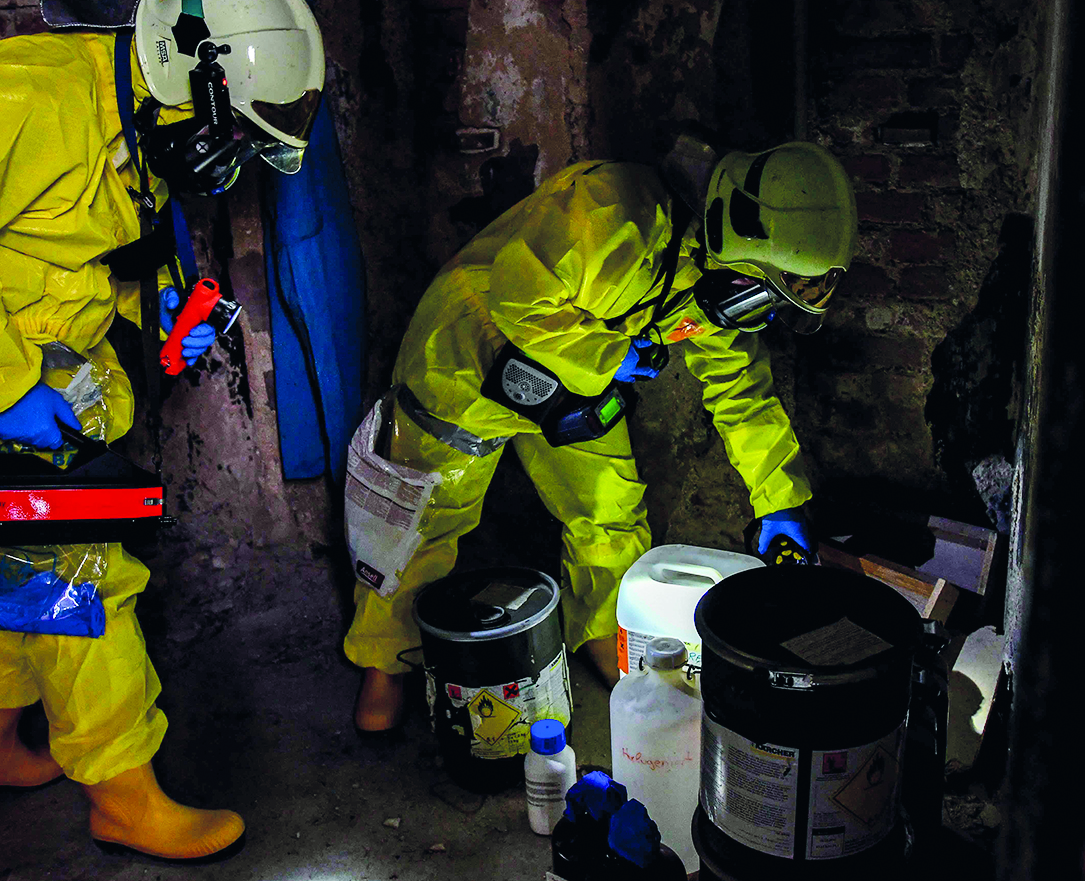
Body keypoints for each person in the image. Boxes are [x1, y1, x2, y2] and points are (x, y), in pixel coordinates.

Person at [0, 0, 324, 860]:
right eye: (227, 135)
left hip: (41, 371)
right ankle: (124, 795)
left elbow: (58, 247)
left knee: (16, 561)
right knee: (79, 573)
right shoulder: (29, 93)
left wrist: (149, 303)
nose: (221, 160)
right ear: (192, 69)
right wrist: (2, 387)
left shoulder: (139, 112)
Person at [345, 130, 856, 730]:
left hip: (580, 372)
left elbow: (741, 391)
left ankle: (608, 637)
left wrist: (781, 501)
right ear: (736, 239)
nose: (755, 316)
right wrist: (611, 356)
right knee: (420, 511)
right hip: (474, 342)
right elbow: (519, 300)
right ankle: (383, 661)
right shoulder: (611, 210)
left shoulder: (719, 279)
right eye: (757, 298)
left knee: (609, 508)